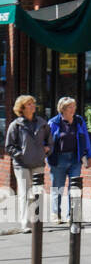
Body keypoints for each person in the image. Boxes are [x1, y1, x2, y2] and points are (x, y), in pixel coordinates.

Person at [5, 96, 50, 231]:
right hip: (21, 165)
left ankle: (36, 221)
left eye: (33, 104)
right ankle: (25, 223)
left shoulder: (42, 123)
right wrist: (21, 155)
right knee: (25, 193)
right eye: (29, 104)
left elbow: (50, 141)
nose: (33, 106)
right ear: (22, 108)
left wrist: (47, 149)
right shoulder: (16, 125)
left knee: (37, 192)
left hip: (38, 163)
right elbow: (9, 146)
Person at [47, 97, 91, 224]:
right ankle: (56, 213)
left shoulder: (79, 121)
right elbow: (48, 142)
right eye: (70, 107)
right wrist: (47, 156)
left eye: (74, 106)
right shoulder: (53, 123)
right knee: (58, 188)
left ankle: (73, 215)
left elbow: (86, 139)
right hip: (58, 159)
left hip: (75, 158)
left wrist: (89, 155)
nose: (74, 109)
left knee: (75, 188)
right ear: (63, 109)